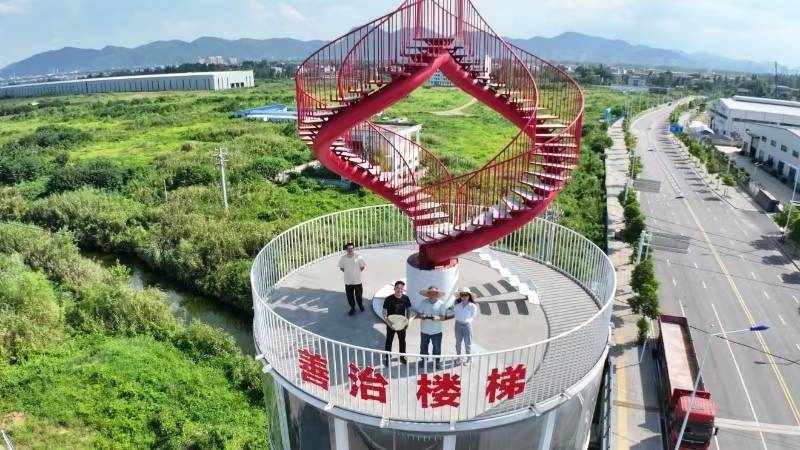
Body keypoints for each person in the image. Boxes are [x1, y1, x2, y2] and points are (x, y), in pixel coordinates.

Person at [415, 286, 453, 370]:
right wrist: (421, 316)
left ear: (437, 294)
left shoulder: (441, 303)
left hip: (436, 331)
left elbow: (444, 317)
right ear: (428, 294)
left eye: (434, 293)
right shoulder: (423, 302)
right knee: (423, 347)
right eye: (430, 292)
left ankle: (436, 362)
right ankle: (424, 360)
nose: (432, 294)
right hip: (424, 330)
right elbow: (418, 314)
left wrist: (438, 318)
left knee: (437, 348)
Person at [382, 280, 411, 366]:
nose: (399, 290)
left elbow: (408, 310)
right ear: (394, 289)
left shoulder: (406, 298)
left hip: (401, 325)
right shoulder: (388, 299)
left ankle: (402, 356)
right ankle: (388, 357)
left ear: (403, 290)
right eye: (398, 288)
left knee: (402, 341)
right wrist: (389, 324)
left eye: (401, 288)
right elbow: (384, 313)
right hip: (391, 324)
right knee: (389, 341)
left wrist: (407, 321)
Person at [338, 242, 366, 316]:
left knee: (359, 296)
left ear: (354, 249)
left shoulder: (359, 257)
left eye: (351, 248)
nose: (350, 250)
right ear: (346, 250)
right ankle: (352, 308)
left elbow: (362, 267)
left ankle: (360, 305)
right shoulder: (343, 258)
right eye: (348, 249)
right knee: (349, 297)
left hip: (357, 281)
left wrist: (356, 273)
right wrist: (348, 273)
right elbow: (341, 268)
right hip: (348, 281)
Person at [453, 288, 477, 365]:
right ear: (460, 296)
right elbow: (454, 314)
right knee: (458, 343)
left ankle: (469, 359)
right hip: (458, 325)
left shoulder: (472, 306)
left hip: (467, 326)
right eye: (462, 295)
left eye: (466, 295)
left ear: (469, 296)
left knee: (468, 343)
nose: (464, 297)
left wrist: (466, 321)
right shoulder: (457, 305)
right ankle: (459, 358)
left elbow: (473, 317)